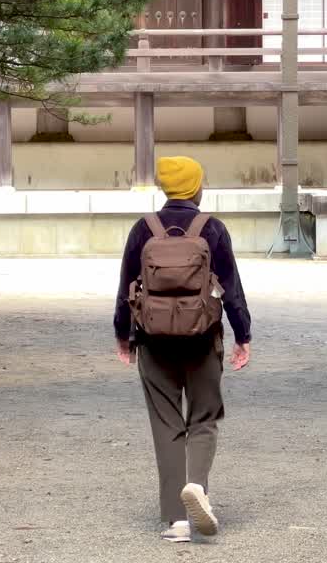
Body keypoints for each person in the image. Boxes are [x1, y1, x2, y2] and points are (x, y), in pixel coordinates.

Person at [113, 156, 252, 543]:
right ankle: (197, 488)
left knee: (166, 424)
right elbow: (231, 286)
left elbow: (127, 285)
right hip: (203, 337)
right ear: (196, 187)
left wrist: (123, 334)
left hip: (154, 338)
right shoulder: (213, 229)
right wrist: (243, 334)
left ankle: (176, 519)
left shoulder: (144, 229)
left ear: (165, 187)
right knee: (204, 418)